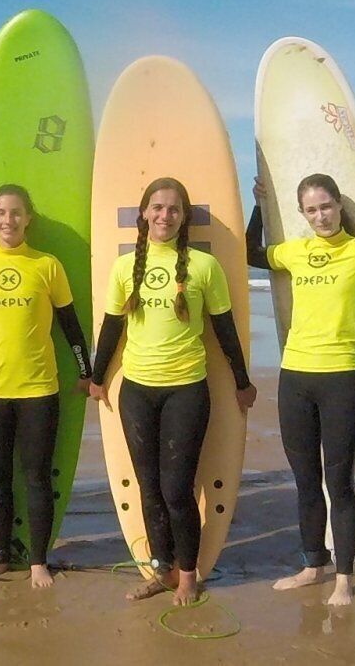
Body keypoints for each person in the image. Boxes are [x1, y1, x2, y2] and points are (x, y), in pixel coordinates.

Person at [247, 173, 355, 607]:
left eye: (326, 206)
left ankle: (344, 578)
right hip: (295, 379)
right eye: (311, 210)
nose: (320, 216)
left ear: (338, 206)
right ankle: (313, 565)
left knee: (338, 482)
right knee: (305, 481)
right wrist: (257, 205)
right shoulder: (295, 252)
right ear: (303, 215)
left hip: (340, 380)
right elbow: (251, 252)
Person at [88, 177, 256, 606]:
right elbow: (112, 326)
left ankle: (187, 577)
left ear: (184, 218)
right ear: (144, 213)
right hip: (137, 390)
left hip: (186, 389)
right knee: (149, 487)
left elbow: (224, 329)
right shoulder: (126, 267)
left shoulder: (204, 266)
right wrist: (96, 376)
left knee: (177, 489)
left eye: (175, 209)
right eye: (158, 207)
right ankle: (160, 569)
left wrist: (241, 381)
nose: (165, 215)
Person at [0, 183, 92, 590]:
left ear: (28, 218)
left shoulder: (46, 265)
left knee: (36, 478)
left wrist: (87, 371)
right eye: (0, 213)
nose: (8, 220)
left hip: (38, 389)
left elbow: (70, 325)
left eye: (16, 213)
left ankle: (37, 561)